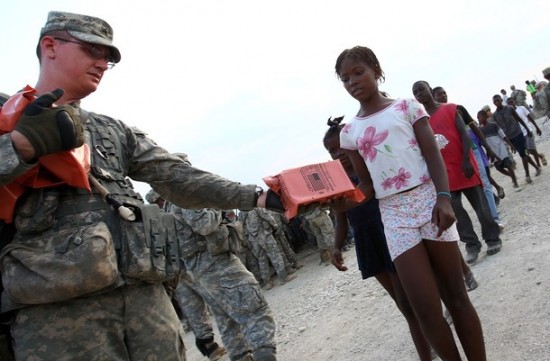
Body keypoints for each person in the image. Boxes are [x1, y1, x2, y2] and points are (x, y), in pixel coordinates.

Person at [0, 11, 283, 361]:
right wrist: (18, 147)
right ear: (50, 46)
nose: (102, 63)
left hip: (144, 299)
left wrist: (259, 197)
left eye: (108, 58)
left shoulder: (111, 130)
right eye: (93, 50)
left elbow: (178, 177)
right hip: (57, 314)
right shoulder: (8, 115)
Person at [335, 45, 486, 360]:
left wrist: (444, 199)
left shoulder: (407, 107)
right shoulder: (350, 132)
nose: (353, 82)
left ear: (376, 70)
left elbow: (432, 154)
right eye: (345, 79)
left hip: (429, 201)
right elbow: (367, 186)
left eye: (358, 72)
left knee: (456, 297)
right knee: (426, 310)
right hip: (394, 215)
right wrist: (340, 202)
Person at [323, 117, 434, 361]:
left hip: (390, 234)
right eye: (332, 151)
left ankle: (429, 343)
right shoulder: (337, 184)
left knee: (411, 300)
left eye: (341, 146)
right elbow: (342, 219)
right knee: (402, 303)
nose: (338, 153)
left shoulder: (372, 169)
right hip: (368, 242)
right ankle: (428, 338)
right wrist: (336, 247)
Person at [414, 80, 503, 263]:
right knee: (457, 213)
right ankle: (472, 245)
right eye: (416, 93)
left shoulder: (451, 109)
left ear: (430, 90)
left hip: (464, 167)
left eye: (422, 90)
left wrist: (466, 160)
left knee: (481, 207)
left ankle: (492, 239)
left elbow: (464, 134)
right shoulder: (421, 120)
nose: (419, 94)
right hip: (444, 175)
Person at [146, 190, 228, 361]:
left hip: (183, 268)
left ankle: (213, 344)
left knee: (199, 307)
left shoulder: (164, 214)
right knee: (197, 308)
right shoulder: (157, 219)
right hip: (181, 271)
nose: (161, 202)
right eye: (158, 200)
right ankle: (210, 346)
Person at [432, 86, 504, 227]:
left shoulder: (457, 109)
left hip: (471, 151)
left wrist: (487, 147)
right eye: (439, 95)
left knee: (484, 184)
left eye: (444, 93)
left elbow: (474, 129)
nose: (443, 96)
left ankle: (494, 220)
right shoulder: (430, 117)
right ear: (434, 97)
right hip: (451, 160)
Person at [492, 94, 541, 184]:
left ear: (501, 100)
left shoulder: (509, 108)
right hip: (509, 138)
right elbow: (498, 129)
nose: (497, 102)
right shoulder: (495, 115)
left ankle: (527, 175)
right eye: (495, 101)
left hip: (518, 134)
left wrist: (527, 129)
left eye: (498, 100)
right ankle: (536, 167)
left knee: (522, 154)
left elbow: (519, 119)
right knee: (523, 154)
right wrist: (505, 141)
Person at [243, 208, 297, 290]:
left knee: (262, 260)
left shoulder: (242, 212)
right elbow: (268, 217)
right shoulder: (256, 208)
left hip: (253, 239)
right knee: (275, 256)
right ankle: (283, 277)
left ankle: (268, 282)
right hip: (264, 236)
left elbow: (242, 227)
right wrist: (275, 226)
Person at [477, 110, 521, 190]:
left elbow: (503, 135)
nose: (478, 119)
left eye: (479, 117)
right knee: (499, 168)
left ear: (485, 116)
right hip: (493, 152)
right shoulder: (480, 130)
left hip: (501, 149)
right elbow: (485, 143)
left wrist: (511, 145)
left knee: (508, 166)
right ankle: (512, 176)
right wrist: (488, 153)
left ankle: (516, 183)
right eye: (477, 118)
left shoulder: (493, 125)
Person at [506, 98, 546, 168]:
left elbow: (530, 117)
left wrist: (537, 127)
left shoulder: (521, 108)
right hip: (519, 134)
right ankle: (540, 156)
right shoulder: (509, 114)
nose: (510, 104)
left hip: (528, 130)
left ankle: (538, 165)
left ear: (514, 102)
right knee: (528, 151)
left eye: (511, 102)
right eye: (509, 103)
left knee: (531, 148)